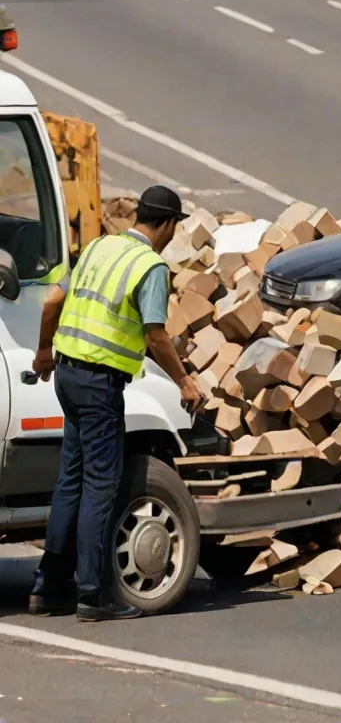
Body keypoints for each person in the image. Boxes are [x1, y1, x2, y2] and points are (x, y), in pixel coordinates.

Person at [29, 185, 203, 622]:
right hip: (99, 384)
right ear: (167, 224)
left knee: (70, 482)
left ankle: (50, 588)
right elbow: (155, 334)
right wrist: (184, 381)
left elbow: (52, 302)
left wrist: (44, 351)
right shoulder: (150, 266)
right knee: (100, 487)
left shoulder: (97, 247)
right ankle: (93, 595)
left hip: (67, 375)